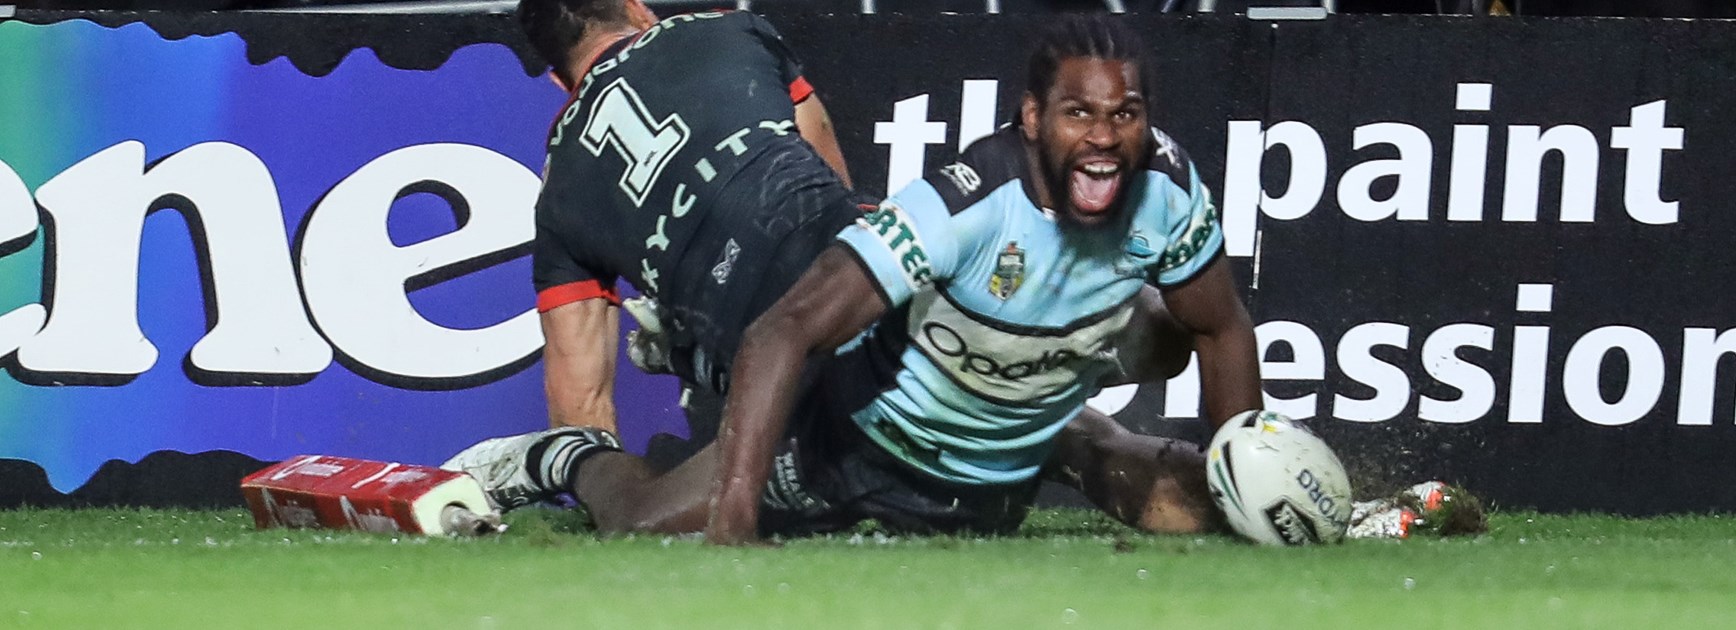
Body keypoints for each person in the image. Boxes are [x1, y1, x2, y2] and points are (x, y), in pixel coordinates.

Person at [447, 12, 1262, 543]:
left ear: (558, 80)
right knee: (1053, 394)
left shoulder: (558, 201)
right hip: (860, 285)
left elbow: (582, 396)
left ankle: (567, 453)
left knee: (639, 514)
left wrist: (591, 449)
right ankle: (1087, 338)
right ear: (637, 10)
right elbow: (826, 163)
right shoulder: (731, 32)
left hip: (802, 333)